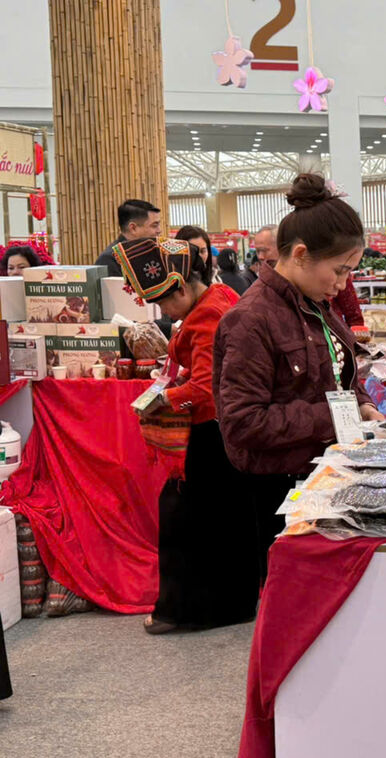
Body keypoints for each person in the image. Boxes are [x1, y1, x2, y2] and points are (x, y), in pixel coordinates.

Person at [214, 174, 383, 579]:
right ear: (302, 254)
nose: (343, 285)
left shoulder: (314, 304)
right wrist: (338, 417)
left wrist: (363, 404)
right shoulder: (251, 320)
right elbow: (243, 422)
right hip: (278, 491)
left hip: (320, 475)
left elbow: (337, 372)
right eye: (339, 271)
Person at [112, 237, 253, 634]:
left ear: (181, 288)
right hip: (226, 431)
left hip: (210, 431)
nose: (163, 312)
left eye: (163, 303)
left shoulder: (208, 316)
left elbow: (205, 390)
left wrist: (165, 399)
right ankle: (229, 605)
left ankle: (181, 610)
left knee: (184, 522)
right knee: (223, 522)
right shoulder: (219, 296)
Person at [96, 199, 161, 277]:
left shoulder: (152, 251)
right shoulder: (109, 260)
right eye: (154, 225)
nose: (159, 230)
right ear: (133, 228)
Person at [245, 225, 279, 289]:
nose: (260, 257)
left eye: (264, 250)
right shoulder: (258, 287)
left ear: (280, 247)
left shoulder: (296, 278)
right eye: (258, 251)